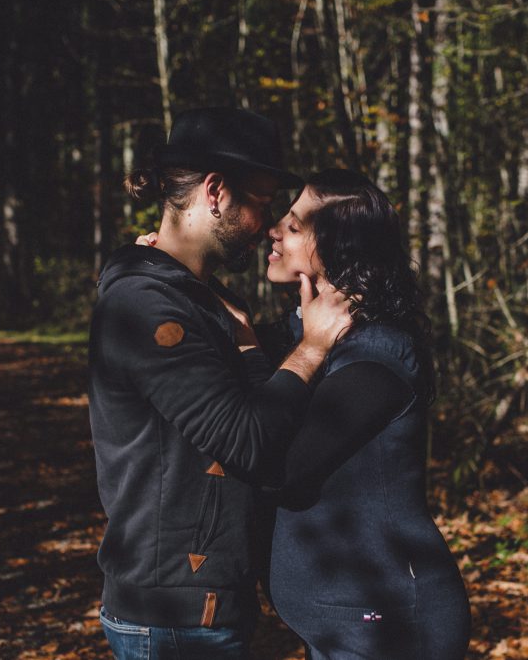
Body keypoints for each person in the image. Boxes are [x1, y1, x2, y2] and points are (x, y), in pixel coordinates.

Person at [87, 108, 352, 659]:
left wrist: (255, 340)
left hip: (198, 606)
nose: (268, 223)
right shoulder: (147, 304)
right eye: (259, 200)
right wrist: (312, 349)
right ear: (215, 191)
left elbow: (256, 406)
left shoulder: (193, 299)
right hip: (176, 617)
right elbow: (250, 441)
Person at [258, 168, 471, 659]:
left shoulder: (378, 352)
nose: (274, 231)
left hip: (388, 625)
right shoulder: (304, 339)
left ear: (338, 245)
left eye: (292, 227)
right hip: (346, 625)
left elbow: (281, 465)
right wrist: (168, 271)